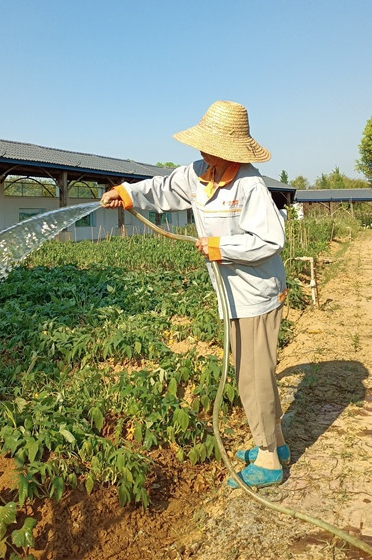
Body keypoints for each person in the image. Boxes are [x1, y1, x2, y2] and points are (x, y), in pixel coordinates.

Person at [100, 100, 290, 488]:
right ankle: (278, 443)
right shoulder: (200, 173)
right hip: (232, 294)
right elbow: (164, 188)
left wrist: (222, 247)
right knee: (249, 374)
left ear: (231, 148)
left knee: (253, 379)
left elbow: (271, 239)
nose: (202, 151)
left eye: (210, 144)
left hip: (256, 293)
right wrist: (127, 193)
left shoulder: (250, 185)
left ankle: (270, 460)